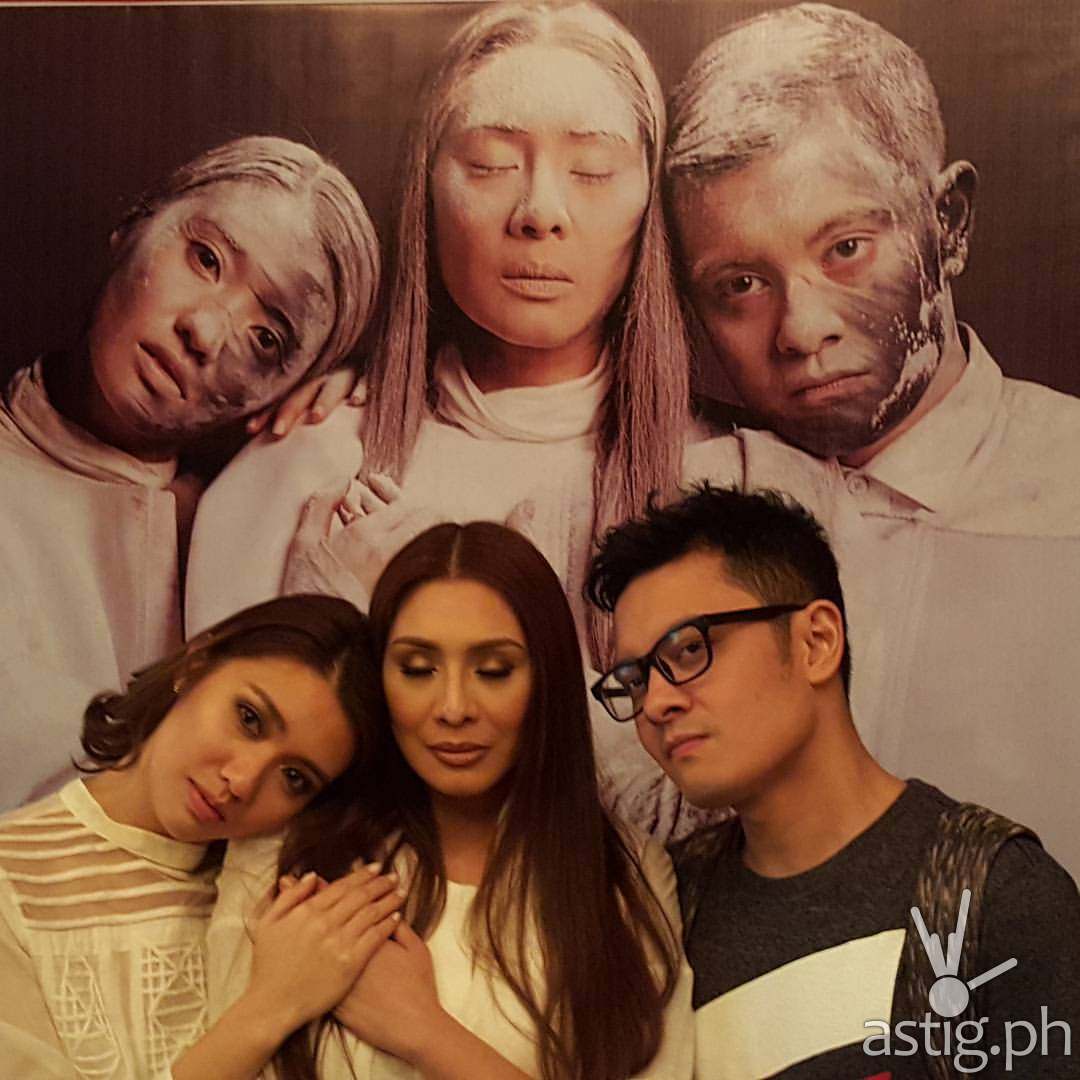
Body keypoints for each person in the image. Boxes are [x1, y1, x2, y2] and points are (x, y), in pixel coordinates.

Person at [669, 2, 1080, 876]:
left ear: (949, 222)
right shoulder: (673, 501)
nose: (800, 329)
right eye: (740, 284)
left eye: (847, 248)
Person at [585, 484, 1080, 1079]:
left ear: (816, 642)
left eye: (689, 650)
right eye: (635, 680)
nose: (656, 703)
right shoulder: (668, 908)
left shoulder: (993, 890)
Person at [209, 522, 694, 1079]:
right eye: (417, 670)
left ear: (547, 680)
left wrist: (426, 1033)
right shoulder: (285, 853)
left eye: (493, 671)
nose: (454, 708)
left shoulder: (626, 876)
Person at [0, 134, 380, 810]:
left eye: (267, 339)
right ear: (133, 223)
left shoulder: (250, 525)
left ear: (289, 388)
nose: (204, 332)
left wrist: (334, 427)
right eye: (205, 259)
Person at [0, 594, 406, 1080]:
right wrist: (270, 1009)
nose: (243, 781)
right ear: (195, 665)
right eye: (249, 719)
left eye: (295, 777)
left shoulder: (281, 894)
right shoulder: (12, 880)